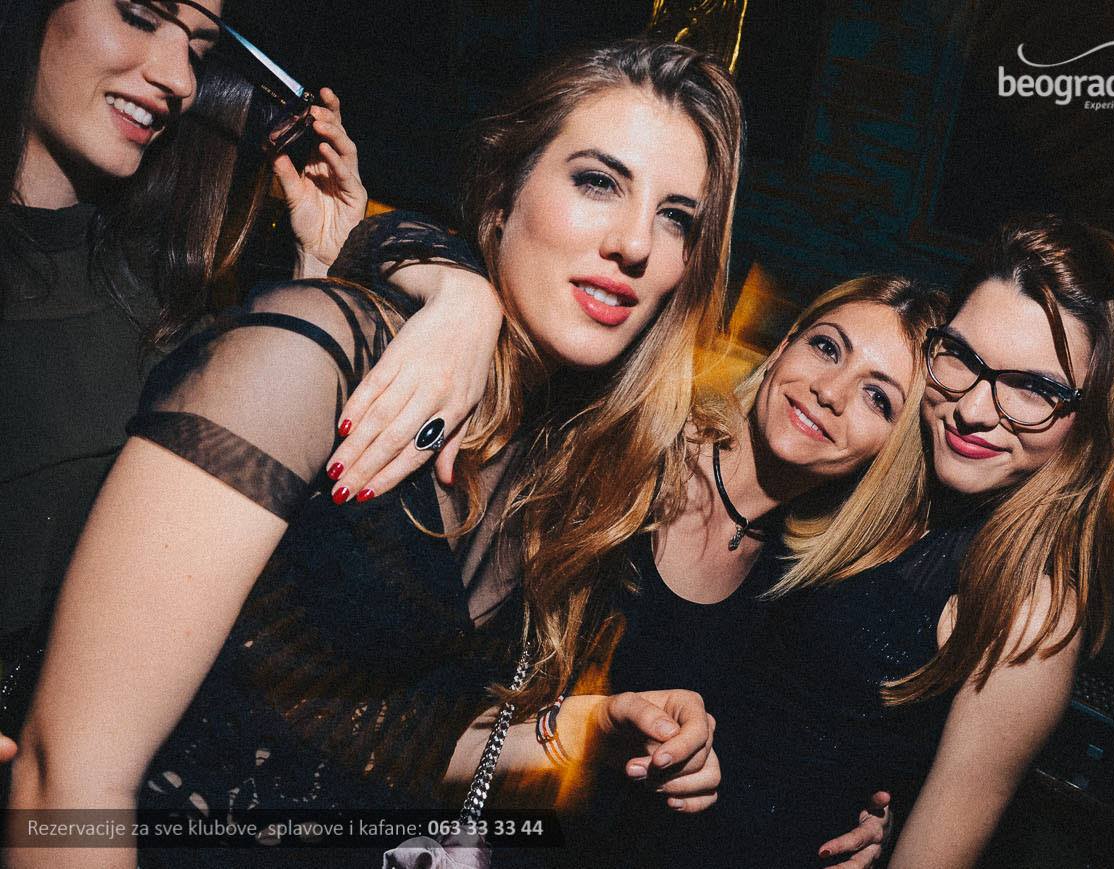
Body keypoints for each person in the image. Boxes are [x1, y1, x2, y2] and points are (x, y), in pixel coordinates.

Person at [7, 37, 744, 869]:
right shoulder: (307, 359)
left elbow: (384, 733)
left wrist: (589, 728)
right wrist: (449, 282)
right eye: (599, 182)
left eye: (675, 217)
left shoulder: (554, 465)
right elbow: (68, 780)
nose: (636, 243)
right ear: (503, 194)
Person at [0, 0, 496, 744]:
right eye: (139, 16)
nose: (177, 79)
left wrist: (337, 277)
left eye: (199, 51)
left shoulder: (167, 301)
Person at [667, 214, 1114, 868]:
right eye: (964, 357)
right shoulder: (876, 456)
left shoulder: (1028, 614)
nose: (973, 410)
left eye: (1035, 388)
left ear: (1089, 420)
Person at [536, 274, 944, 868]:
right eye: (827, 347)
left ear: (889, 453)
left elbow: (785, 771)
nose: (830, 391)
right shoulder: (634, 442)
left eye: (877, 398)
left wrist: (876, 826)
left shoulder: (805, 596)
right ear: (784, 347)